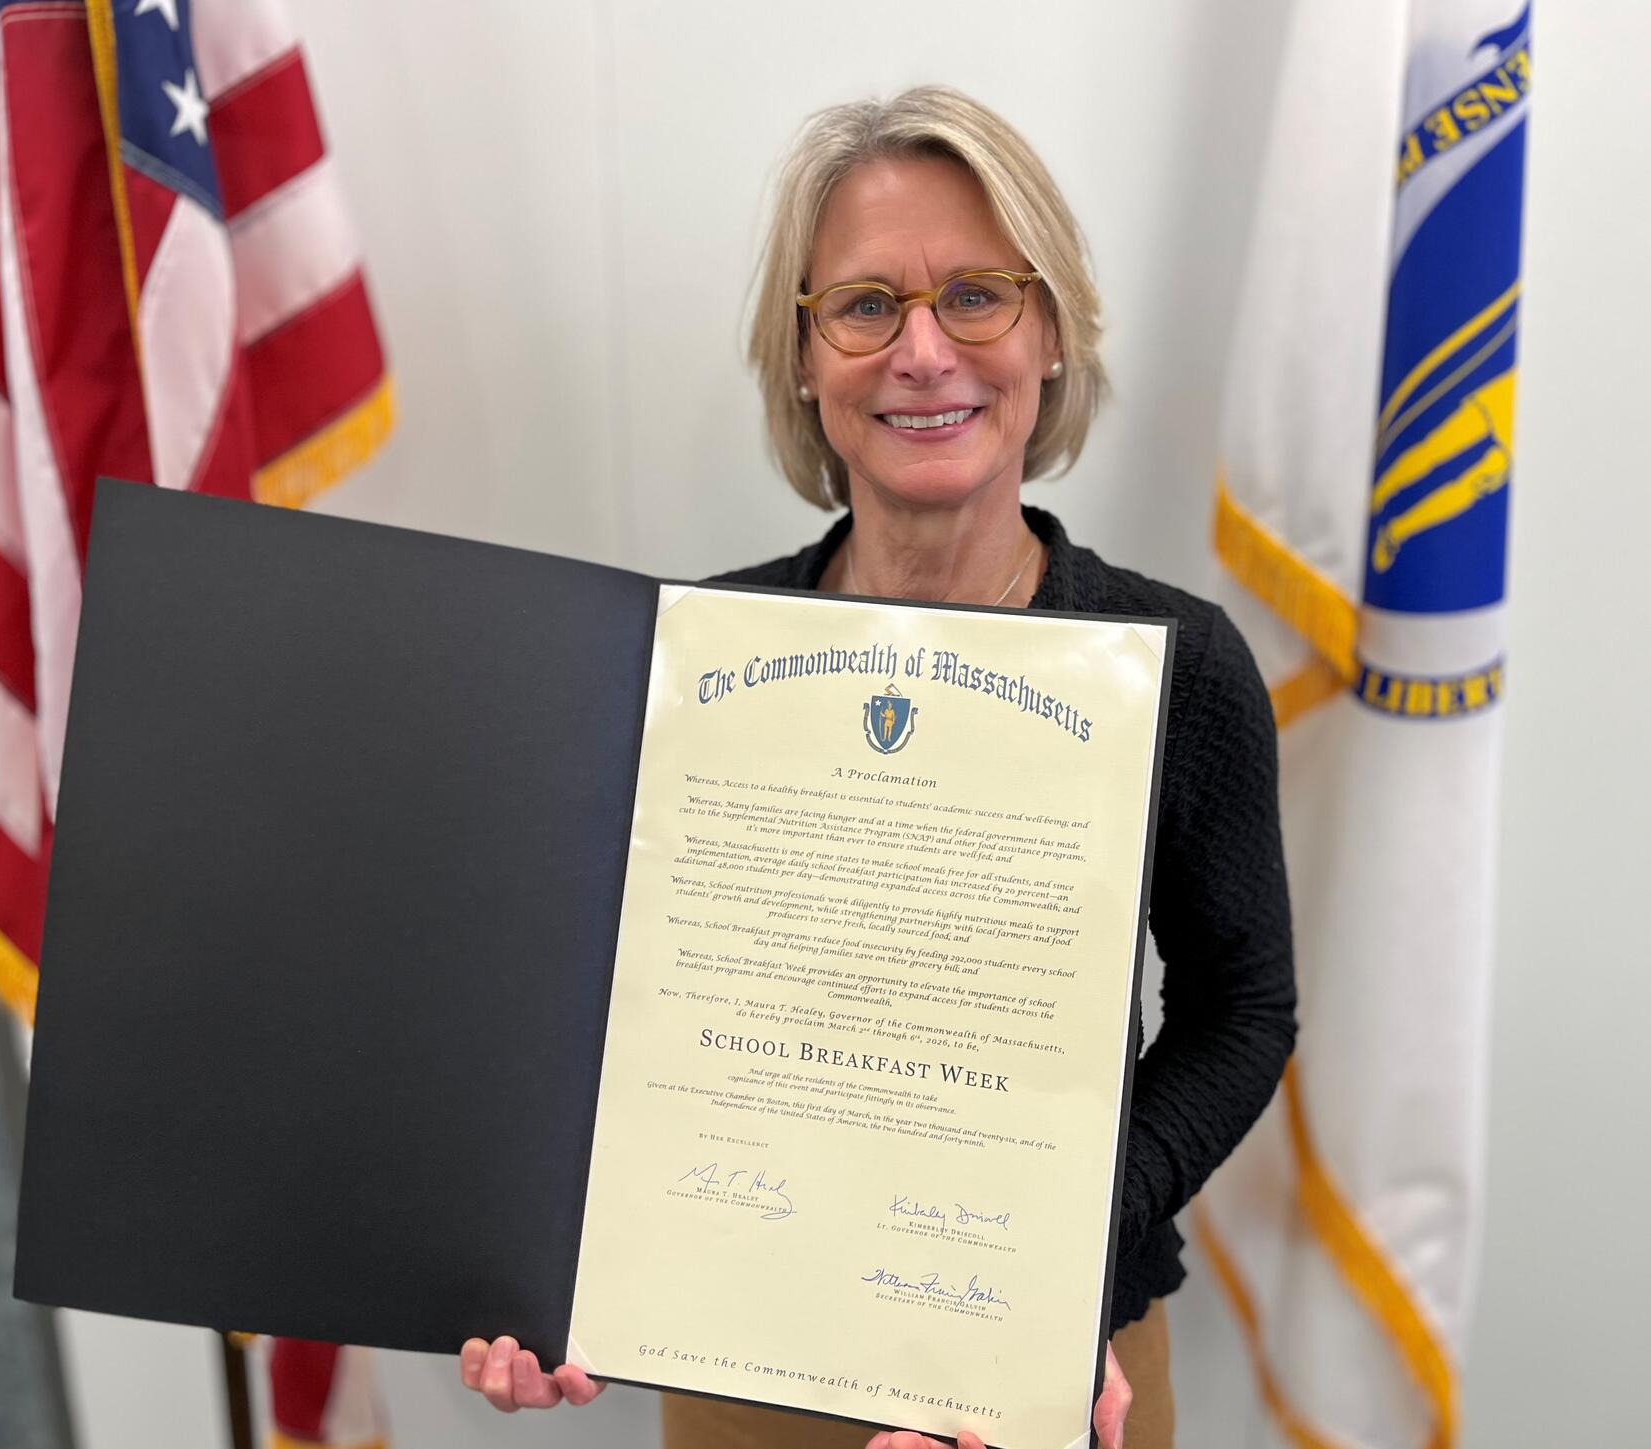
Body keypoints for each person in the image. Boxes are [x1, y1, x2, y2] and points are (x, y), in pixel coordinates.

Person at [459, 85, 1296, 1449]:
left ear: (1051, 333)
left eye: (977, 295)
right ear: (801, 355)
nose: (922, 351)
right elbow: (595, 1015)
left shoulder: (1179, 666)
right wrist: (540, 1261)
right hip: (742, 1351)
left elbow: (1242, 1006)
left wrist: (1060, 1245)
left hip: (1064, 1357)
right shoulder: (682, 664)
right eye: (862, 306)